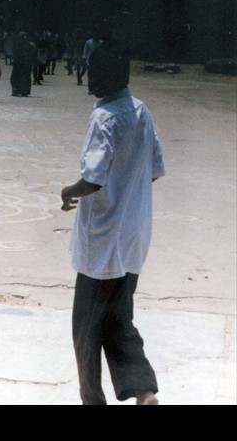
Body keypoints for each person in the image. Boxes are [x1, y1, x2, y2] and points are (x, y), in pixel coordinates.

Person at [60, 39, 165, 405]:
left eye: (93, 74)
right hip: (134, 236)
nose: (89, 81)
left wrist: (67, 191)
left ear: (105, 77)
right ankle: (143, 389)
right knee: (119, 319)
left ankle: (93, 400)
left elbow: (94, 178)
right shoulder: (140, 111)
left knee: (86, 329)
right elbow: (153, 169)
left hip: (102, 242)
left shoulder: (104, 117)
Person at [10, 31, 32, 97]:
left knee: (16, 77)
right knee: (25, 78)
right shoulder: (30, 45)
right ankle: (24, 91)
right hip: (25, 64)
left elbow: (15, 54)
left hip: (19, 64)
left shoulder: (17, 44)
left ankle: (17, 90)